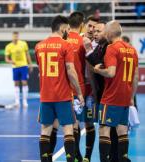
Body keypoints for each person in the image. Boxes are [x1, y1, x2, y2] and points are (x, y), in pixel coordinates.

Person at [35, 15, 84, 162]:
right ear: (62, 28)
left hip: (46, 96)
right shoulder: (66, 45)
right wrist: (79, 93)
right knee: (68, 130)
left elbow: (41, 70)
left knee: (45, 130)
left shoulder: (39, 46)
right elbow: (71, 71)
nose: (68, 32)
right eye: (67, 29)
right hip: (63, 96)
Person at [94, 20, 138, 162]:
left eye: (106, 30)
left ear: (110, 32)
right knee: (122, 130)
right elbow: (136, 76)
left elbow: (111, 73)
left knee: (104, 129)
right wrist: (131, 96)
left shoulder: (112, 48)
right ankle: (124, 158)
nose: (104, 33)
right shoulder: (132, 49)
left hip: (111, 96)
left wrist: (98, 70)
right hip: (125, 96)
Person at [83, 21, 108, 162]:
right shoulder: (81, 40)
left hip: (96, 91)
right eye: (90, 26)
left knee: (102, 125)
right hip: (84, 89)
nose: (93, 30)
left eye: (96, 28)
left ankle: (91, 156)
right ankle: (83, 156)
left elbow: (98, 68)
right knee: (83, 124)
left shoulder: (101, 46)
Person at [66, 11, 87, 162]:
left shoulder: (63, 39)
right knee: (76, 123)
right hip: (79, 86)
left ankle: (73, 155)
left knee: (66, 125)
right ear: (82, 25)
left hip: (64, 87)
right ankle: (77, 155)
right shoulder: (83, 41)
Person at [5, 31, 33, 108]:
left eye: (17, 36)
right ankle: (17, 102)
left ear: (18, 36)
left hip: (23, 66)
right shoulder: (8, 46)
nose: (15, 37)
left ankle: (24, 101)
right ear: (12, 37)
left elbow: (27, 55)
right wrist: (11, 61)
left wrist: (30, 64)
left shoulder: (23, 44)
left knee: (24, 82)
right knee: (16, 83)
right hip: (15, 67)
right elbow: (6, 59)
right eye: (14, 36)